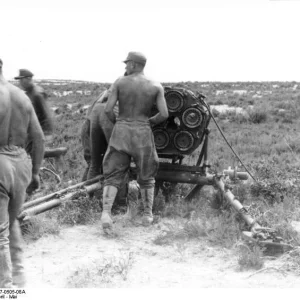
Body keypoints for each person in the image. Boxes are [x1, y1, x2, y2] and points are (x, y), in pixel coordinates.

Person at [101, 51, 169, 231]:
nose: (125, 67)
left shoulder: (120, 82)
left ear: (133, 64)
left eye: (127, 63)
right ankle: (147, 215)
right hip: (142, 132)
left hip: (121, 131)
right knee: (147, 176)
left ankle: (106, 213)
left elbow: (108, 110)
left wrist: (119, 124)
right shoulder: (155, 86)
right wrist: (148, 122)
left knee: (113, 174)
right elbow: (164, 114)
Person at [0, 59, 45, 288]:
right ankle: (19, 278)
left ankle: (5, 287)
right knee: (11, 222)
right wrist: (35, 172)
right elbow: (38, 138)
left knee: (0, 231)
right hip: (21, 163)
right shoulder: (21, 96)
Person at [14, 69, 54, 152]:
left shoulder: (37, 94)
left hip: (39, 134)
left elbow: (47, 114)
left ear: (28, 79)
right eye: (19, 80)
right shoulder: (27, 93)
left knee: (36, 160)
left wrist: (47, 133)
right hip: (30, 135)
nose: (20, 82)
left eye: (21, 79)